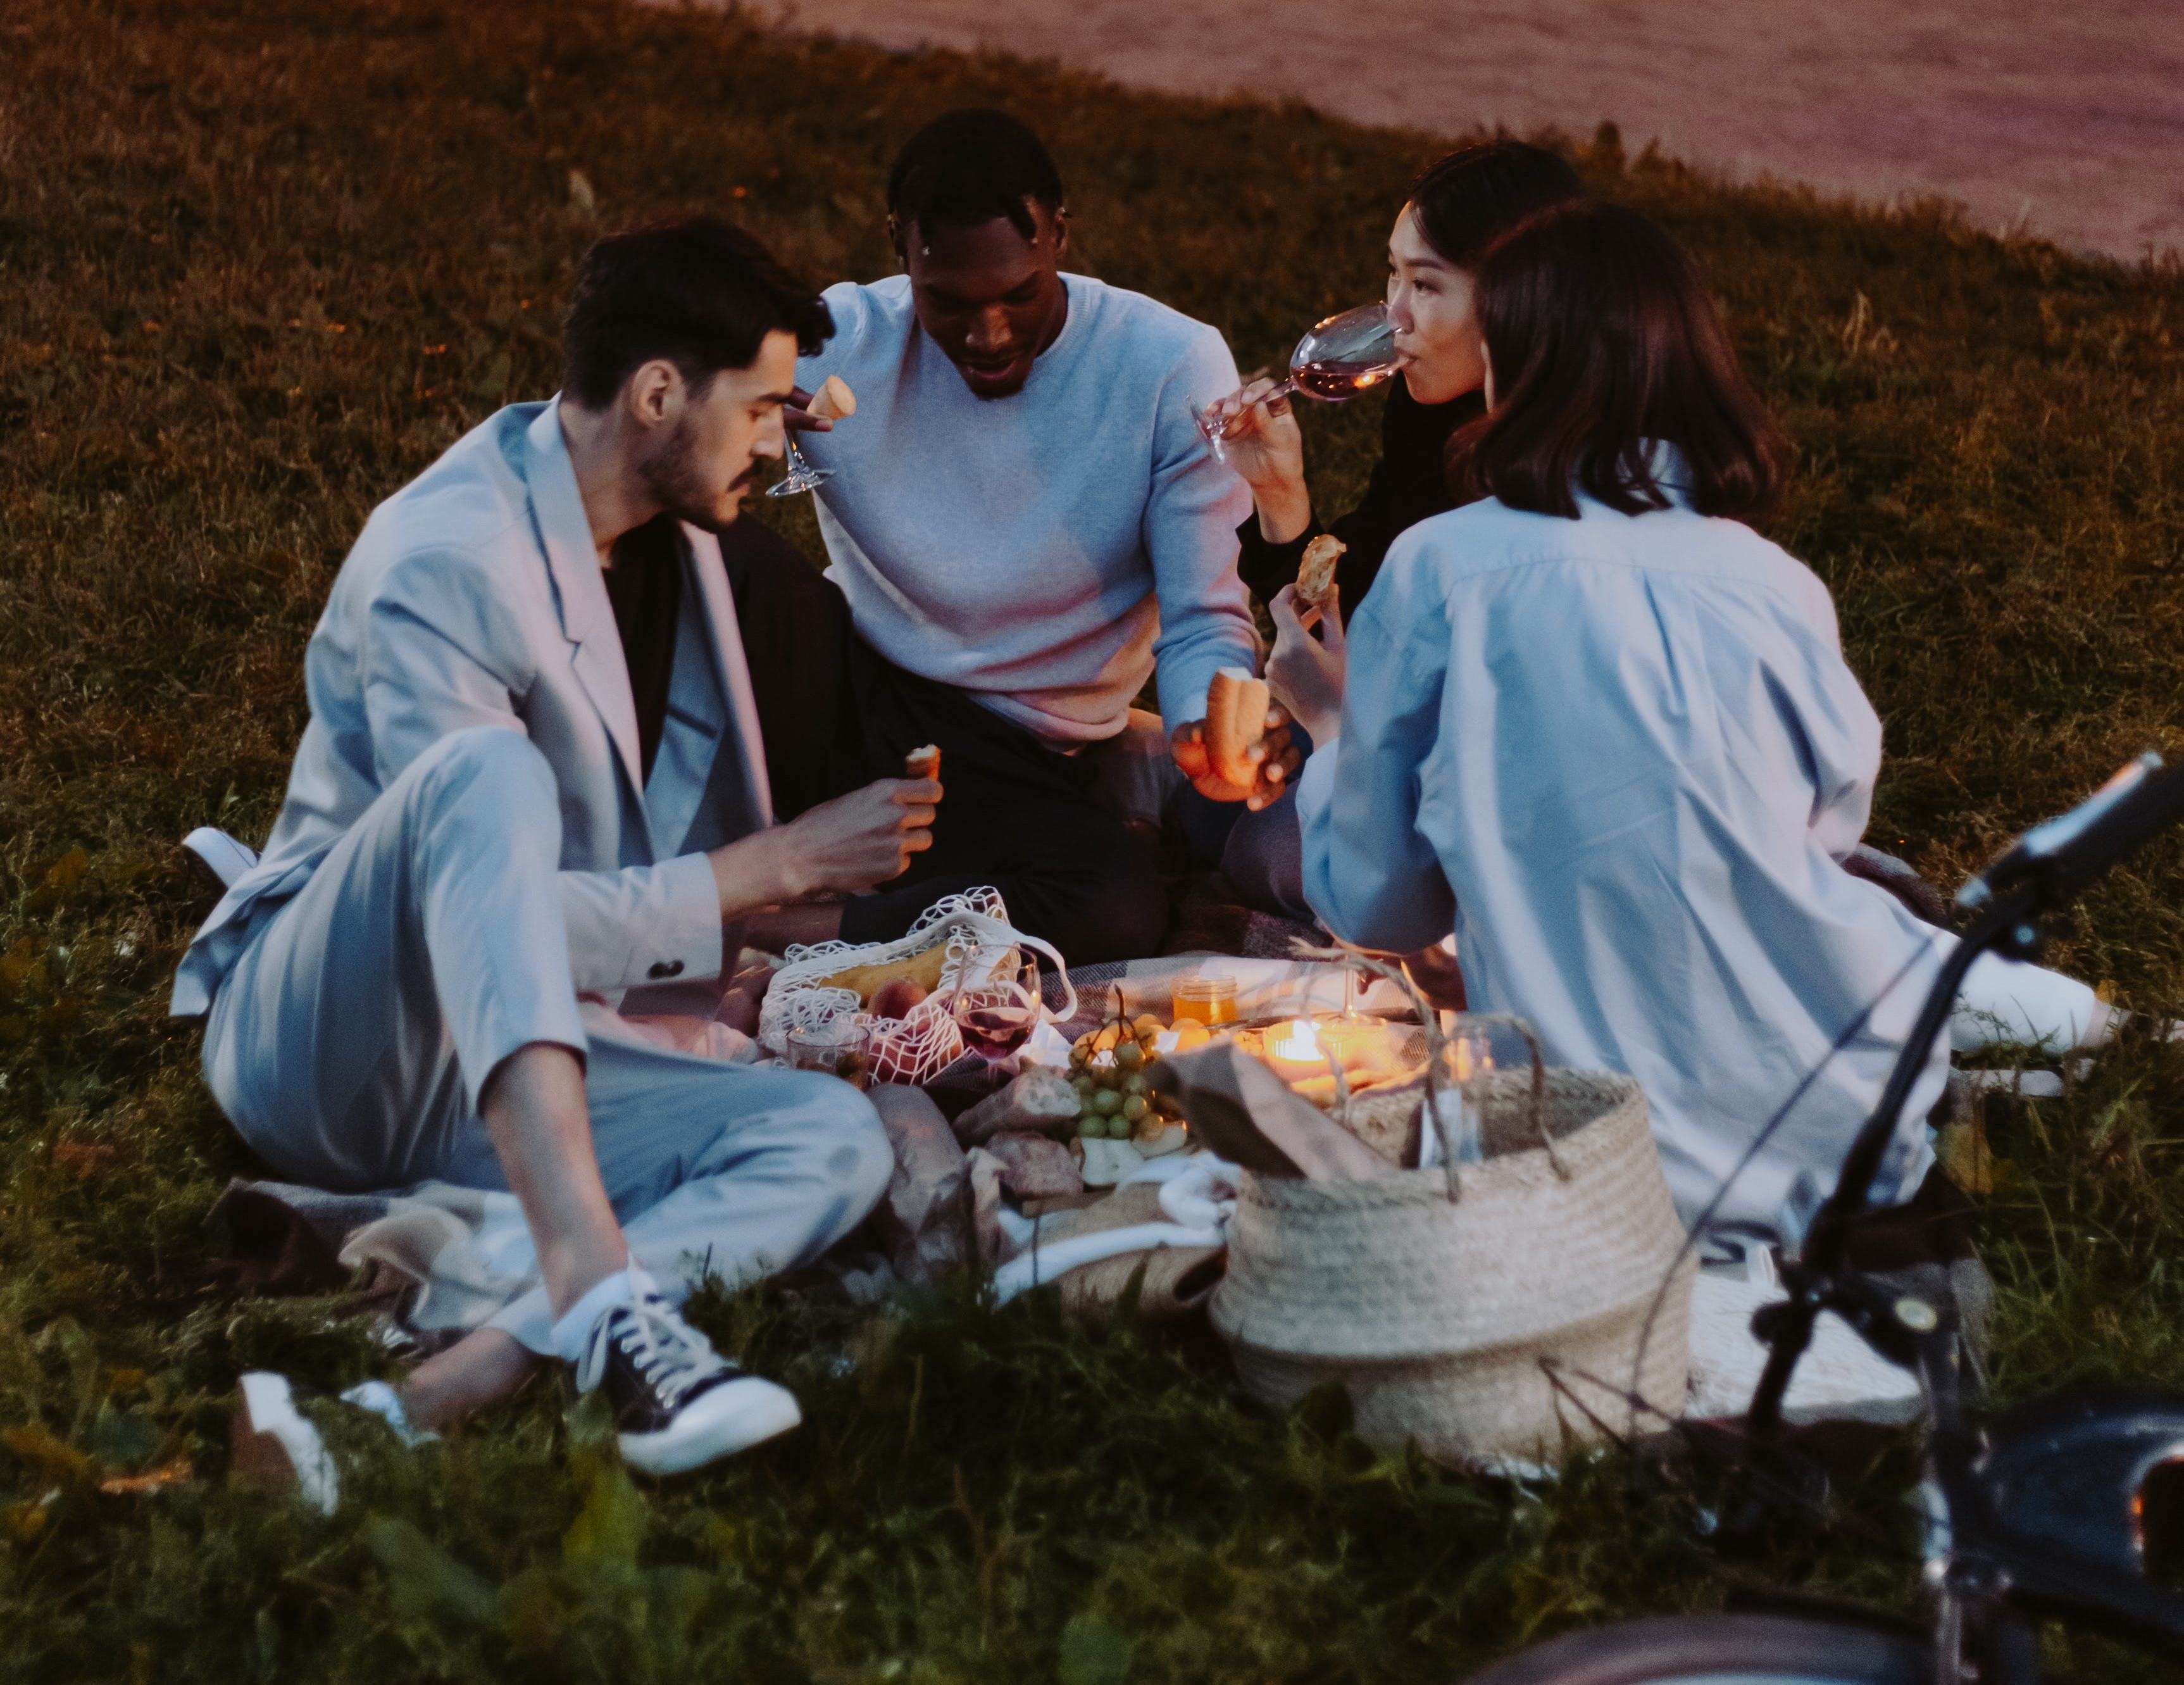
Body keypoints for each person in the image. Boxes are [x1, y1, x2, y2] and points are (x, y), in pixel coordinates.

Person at [174, 220, 930, 1477]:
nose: (778, 441)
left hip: (518, 1071)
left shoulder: (671, 536)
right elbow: (471, 917)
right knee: (485, 770)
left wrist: (753, 939)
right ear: (656, 393)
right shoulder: (446, 561)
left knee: (832, 1137)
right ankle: (594, 1280)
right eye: (759, 409)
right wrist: (775, 867)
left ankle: (442, 1388)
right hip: (337, 1049)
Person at [1282, 201, 2108, 1252]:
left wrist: (1331, 724)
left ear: (1514, 366)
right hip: (1835, 1133)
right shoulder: (1772, 582)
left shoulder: (1441, 567)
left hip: (1587, 1154)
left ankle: (2055, 1023)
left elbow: (1380, 902)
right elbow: (1826, 824)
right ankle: (2077, 1030)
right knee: (1887, 922)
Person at [718, 108, 1294, 967]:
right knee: (705, 550)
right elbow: (634, 415)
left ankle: (781, 929)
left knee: (1113, 906)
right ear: (901, 248)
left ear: (1058, 235)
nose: (986, 336)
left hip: (1016, 750)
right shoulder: (834, 340)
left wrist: (1200, 729)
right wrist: (736, 423)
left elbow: (1202, 615)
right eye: (947, 301)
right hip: (852, 683)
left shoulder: (1167, 365)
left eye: (1018, 294)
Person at [1190, 141, 1584, 918]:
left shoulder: (1561, 482)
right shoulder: (1435, 412)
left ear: (1523, 300)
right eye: (1392, 275)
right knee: (1210, 807)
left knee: (1268, 850)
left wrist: (1336, 731)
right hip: (1399, 738)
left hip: (1510, 797)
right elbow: (1360, 601)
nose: (1392, 317)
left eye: (1425, 285)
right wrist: (1280, 493)